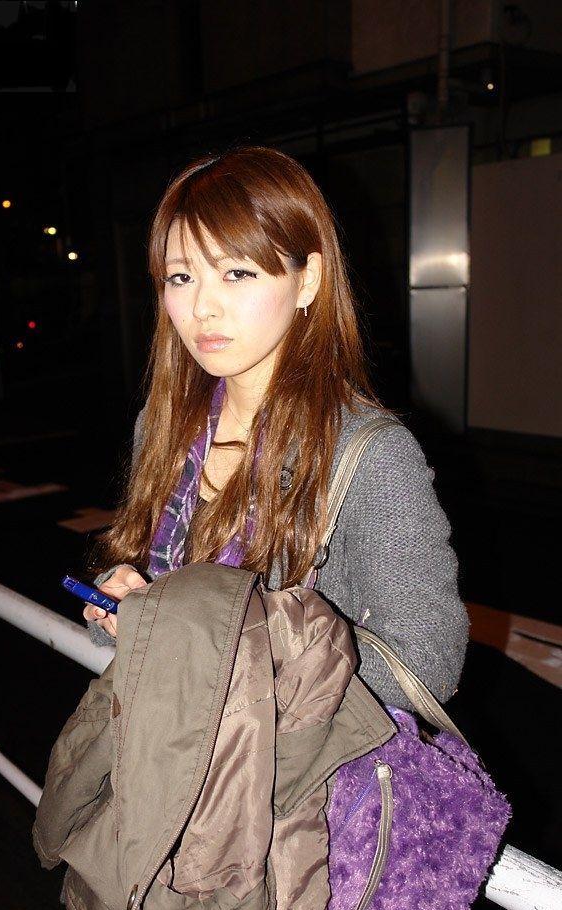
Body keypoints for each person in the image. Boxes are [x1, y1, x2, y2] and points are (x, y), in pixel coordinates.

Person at [82, 143, 469, 714]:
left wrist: (235, 641)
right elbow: (151, 594)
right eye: (181, 276)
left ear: (308, 280)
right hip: (174, 741)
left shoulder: (368, 453)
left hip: (290, 766)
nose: (203, 307)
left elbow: (428, 664)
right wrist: (124, 599)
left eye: (236, 273)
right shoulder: (165, 429)